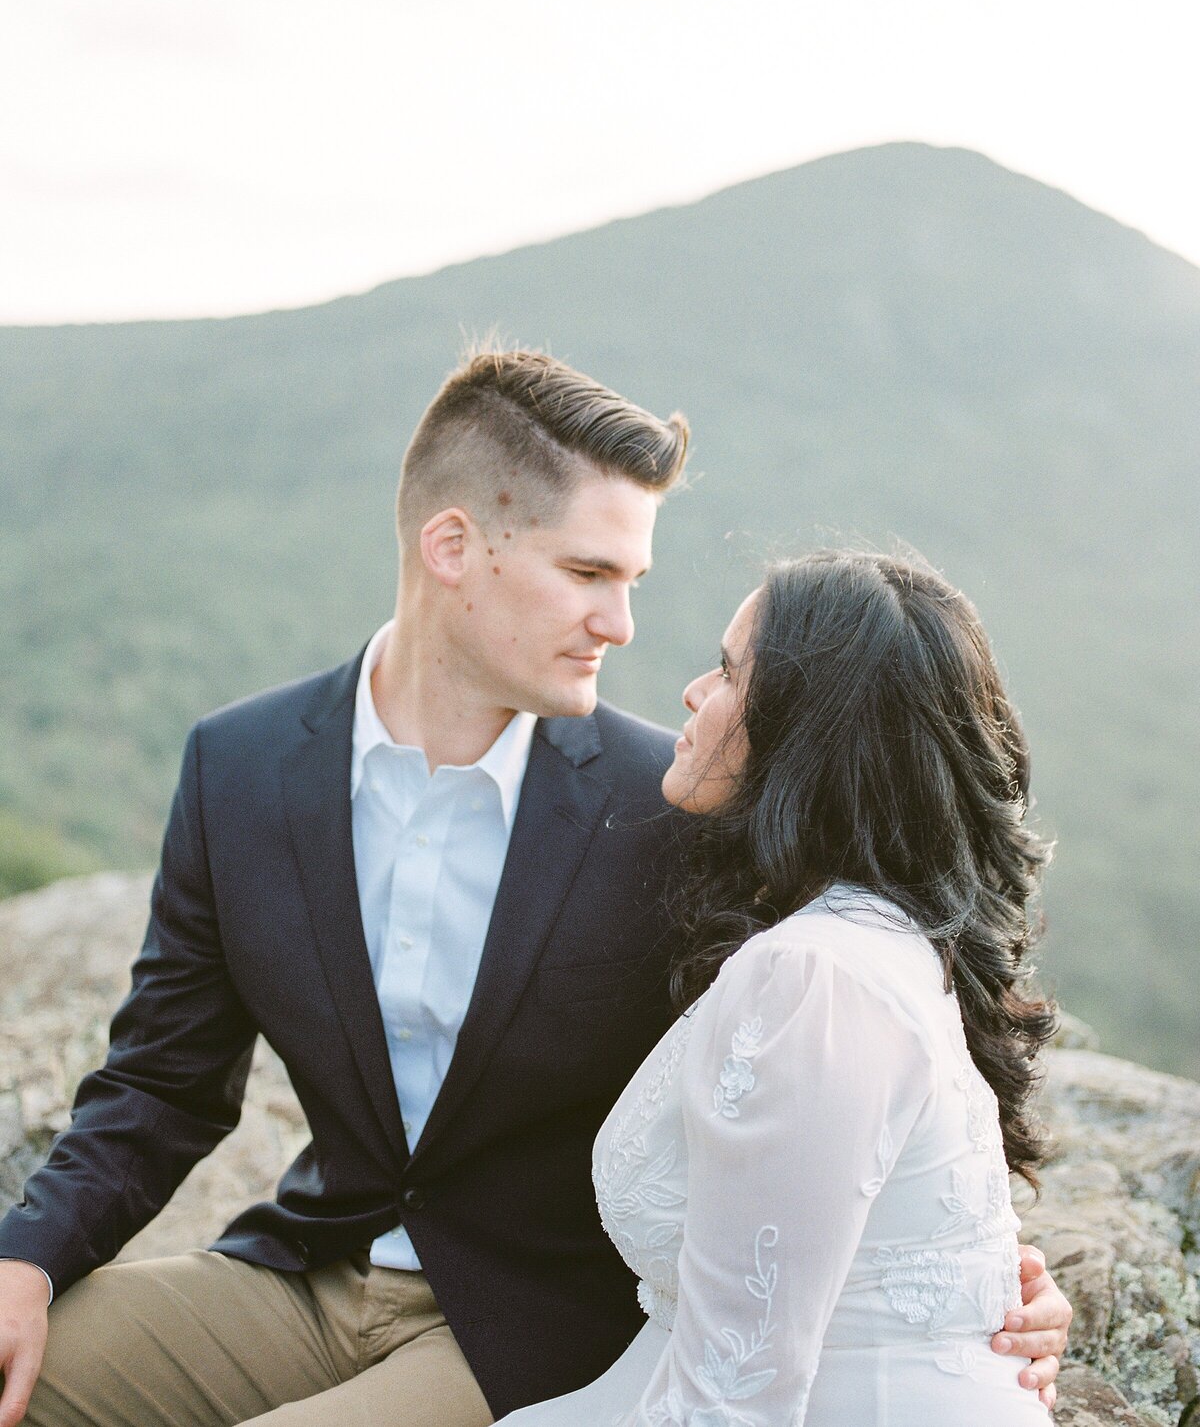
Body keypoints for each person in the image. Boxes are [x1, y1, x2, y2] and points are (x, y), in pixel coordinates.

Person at [0, 354, 1070, 1427]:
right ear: (454, 547)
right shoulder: (240, 766)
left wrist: (988, 1275)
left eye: (632, 584)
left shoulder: (680, 804)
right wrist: (28, 1258)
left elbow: (856, 1045)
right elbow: (161, 1082)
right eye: (589, 574)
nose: (622, 623)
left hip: (534, 1326)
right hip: (305, 1270)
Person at [496, 551, 1063, 1425]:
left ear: (808, 732)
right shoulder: (891, 942)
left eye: (728, 671)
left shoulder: (816, 975)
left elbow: (736, 1400)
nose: (692, 691)